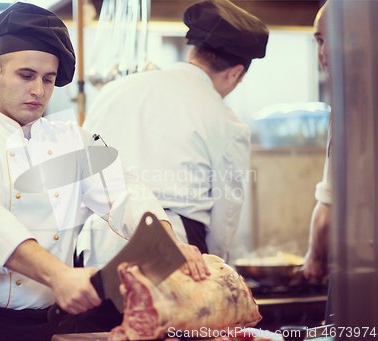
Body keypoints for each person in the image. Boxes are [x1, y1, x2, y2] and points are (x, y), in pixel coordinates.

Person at [0, 3, 208, 341]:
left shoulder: (72, 143)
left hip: (48, 325)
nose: (39, 91)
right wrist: (59, 275)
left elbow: (126, 192)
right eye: (26, 75)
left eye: (48, 80)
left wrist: (167, 238)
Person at [80, 0, 269, 262]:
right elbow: (225, 218)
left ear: (193, 53)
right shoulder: (229, 123)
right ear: (235, 73)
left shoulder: (113, 90)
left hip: (96, 243)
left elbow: (81, 169)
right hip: (172, 249)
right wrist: (211, 264)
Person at [302, 1, 334, 323]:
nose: (323, 53)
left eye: (331, 39)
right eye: (319, 41)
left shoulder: (353, 103)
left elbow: (328, 211)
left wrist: (316, 257)